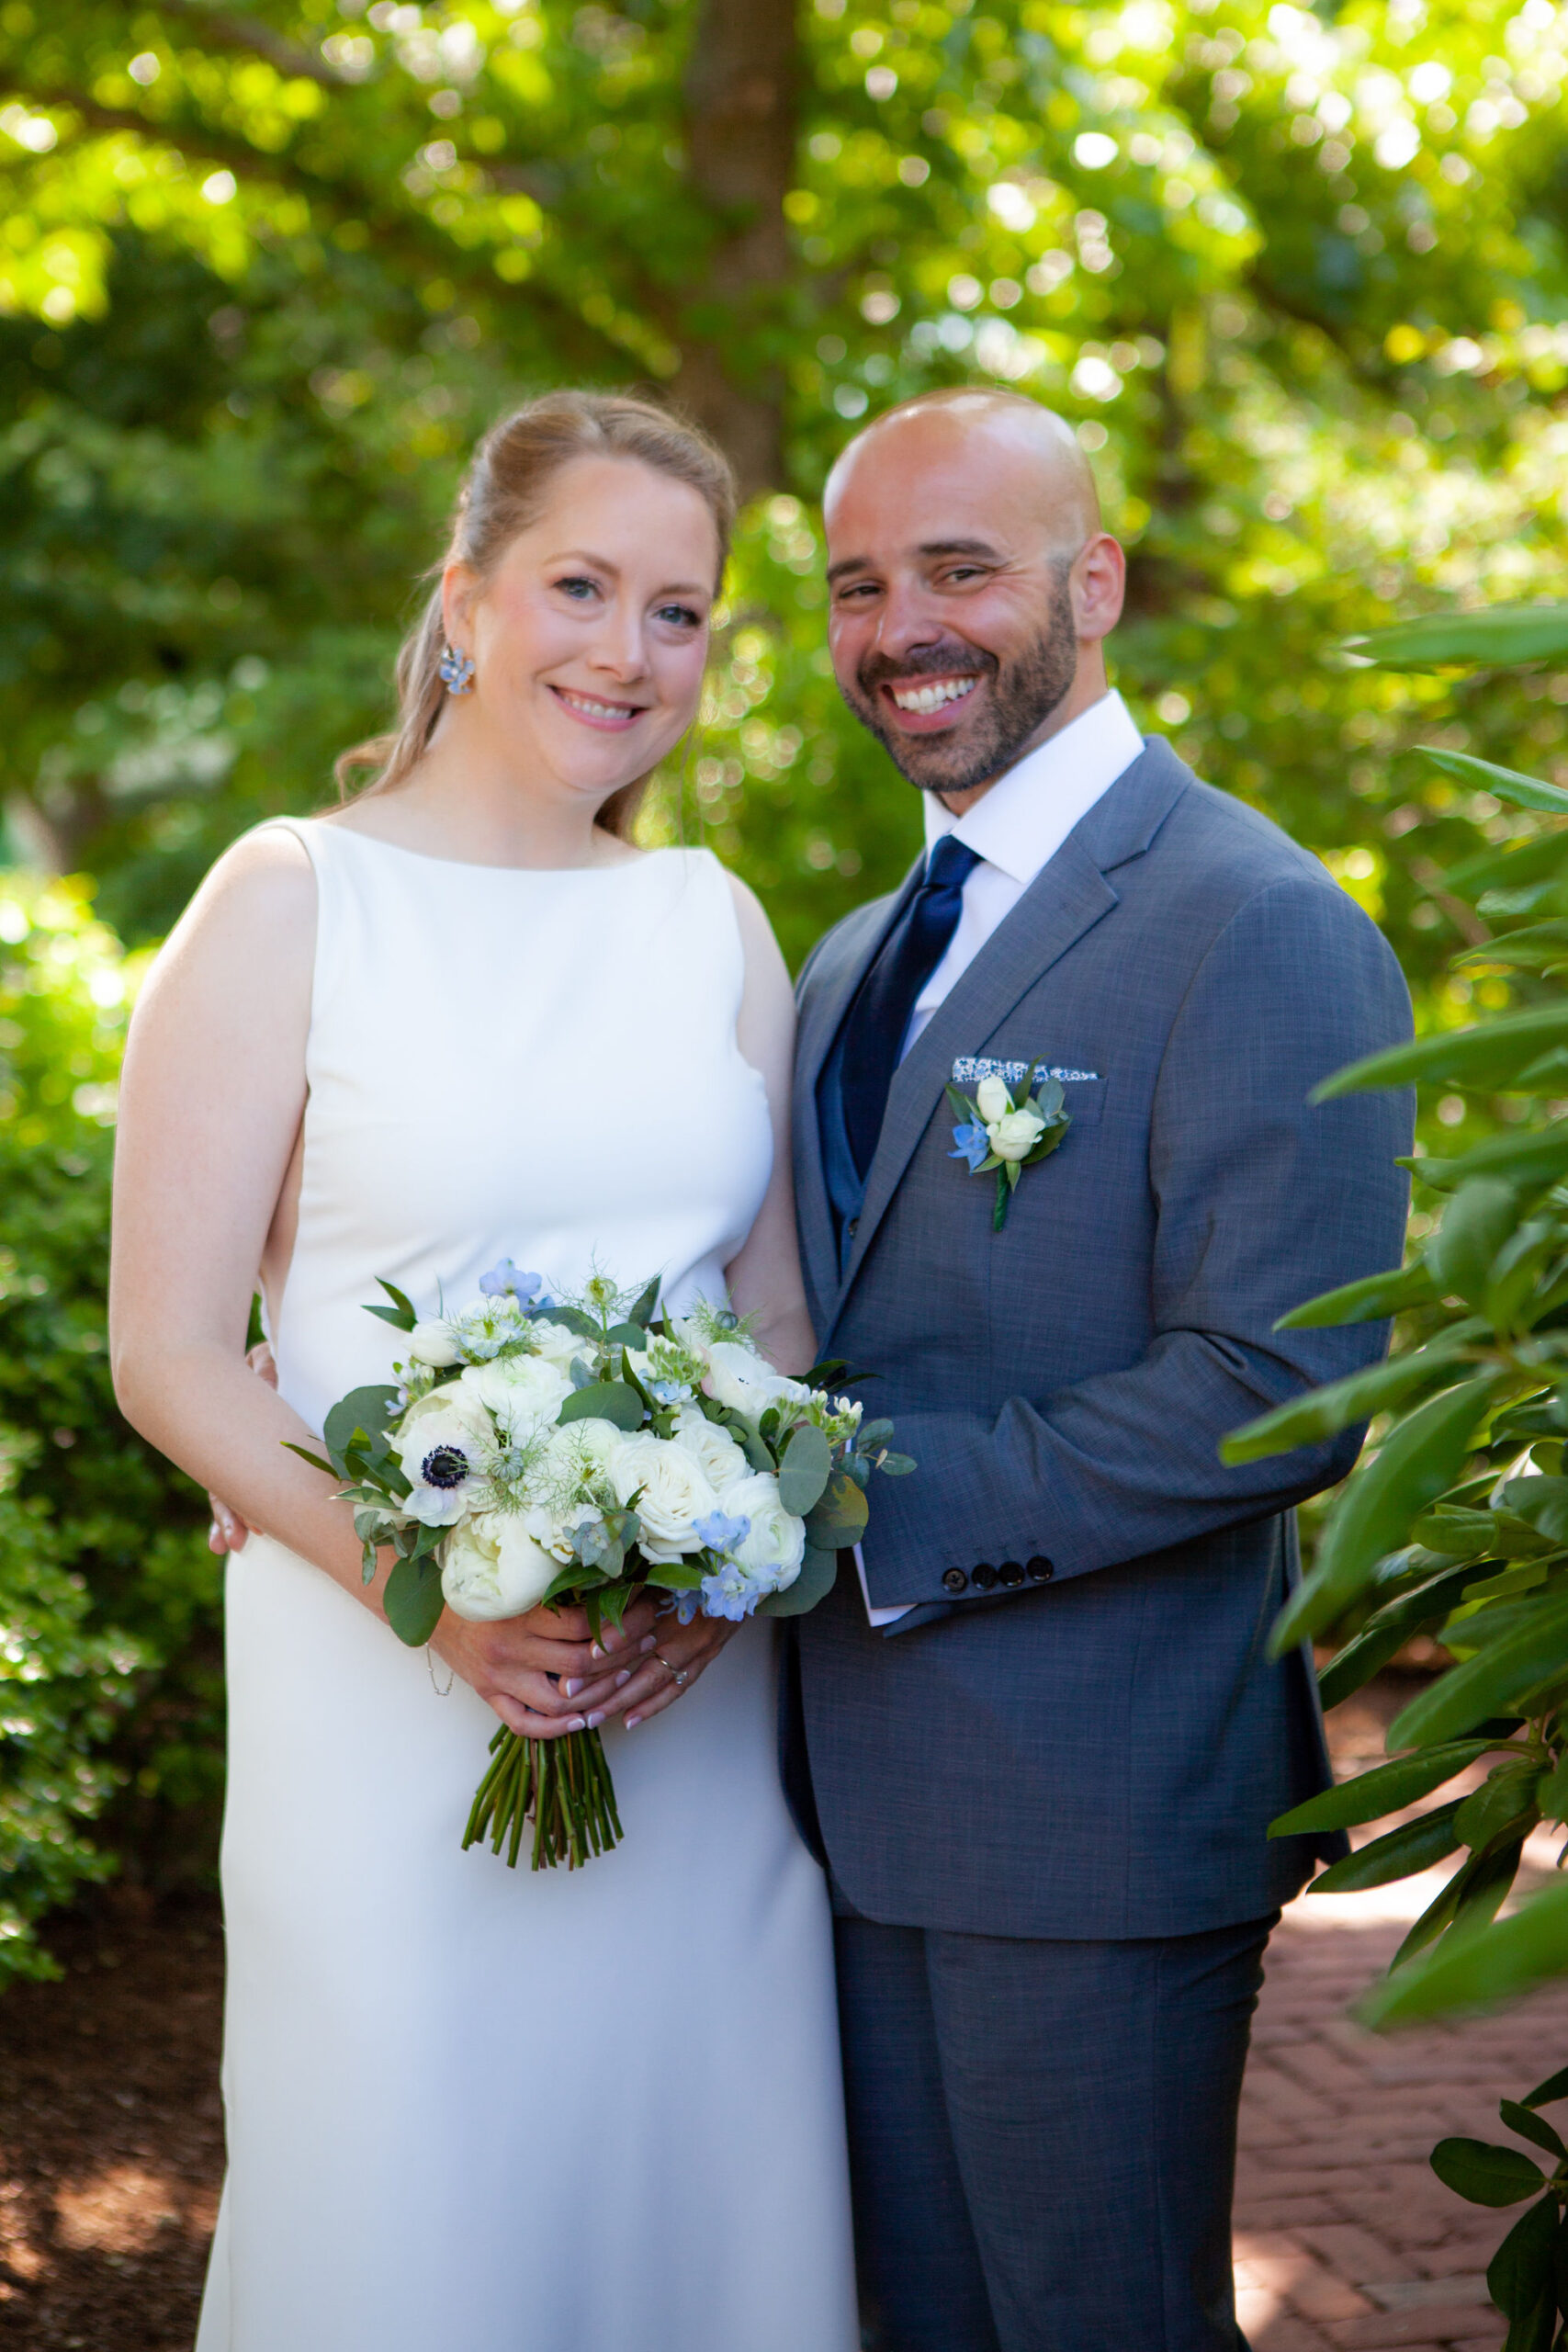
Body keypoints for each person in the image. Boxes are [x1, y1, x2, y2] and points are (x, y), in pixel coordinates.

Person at [109, 391, 858, 2352]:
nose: (628, 651)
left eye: (680, 611)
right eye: (581, 587)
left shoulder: (708, 922)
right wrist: (431, 1602)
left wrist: (714, 1580)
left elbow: (775, 1326)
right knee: (413, 2186)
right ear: (464, 602)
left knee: (691, 2175)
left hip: (686, 1698)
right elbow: (171, 1351)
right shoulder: (288, 898)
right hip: (385, 1683)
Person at [784, 387, 1414, 2352]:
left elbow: (1275, 1378)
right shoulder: (846, 956)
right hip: (830, 1798)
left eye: (957, 568)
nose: (902, 626)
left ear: (1095, 581)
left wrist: (837, 1507)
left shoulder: (1255, 920)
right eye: (855, 585)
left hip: (1091, 1804)